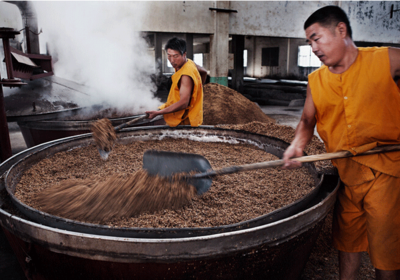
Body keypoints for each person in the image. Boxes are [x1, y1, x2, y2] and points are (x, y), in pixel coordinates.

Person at [282, 5, 400, 280]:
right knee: (347, 244)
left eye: (316, 38)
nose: (313, 47)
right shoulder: (316, 81)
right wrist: (297, 144)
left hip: (385, 173)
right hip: (346, 174)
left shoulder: (386, 60)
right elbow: (307, 122)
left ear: (341, 30)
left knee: (386, 252)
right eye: (309, 42)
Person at [146, 37, 207, 127]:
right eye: (169, 56)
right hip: (186, 116)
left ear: (184, 54)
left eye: (176, 56)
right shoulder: (189, 62)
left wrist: (158, 113)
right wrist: (197, 89)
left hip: (185, 121)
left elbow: (183, 103)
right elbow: (204, 71)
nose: (172, 60)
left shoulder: (186, 74)